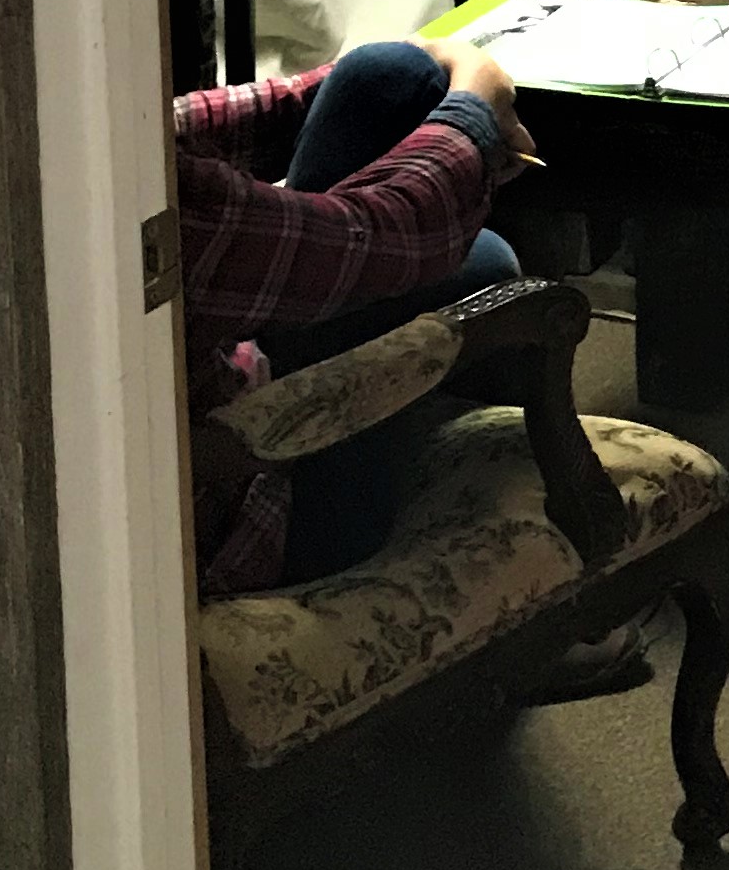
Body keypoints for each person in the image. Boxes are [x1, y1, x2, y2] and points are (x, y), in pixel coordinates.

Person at [178, 30, 537, 594]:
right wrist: (474, 109)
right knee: (486, 267)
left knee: (389, 73)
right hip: (249, 494)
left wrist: (439, 60)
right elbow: (392, 231)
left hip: (229, 371)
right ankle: (527, 547)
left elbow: (188, 128)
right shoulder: (152, 216)